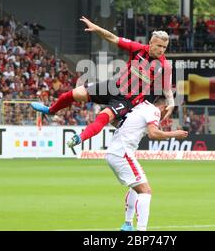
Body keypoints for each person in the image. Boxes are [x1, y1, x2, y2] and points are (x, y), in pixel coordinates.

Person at [31, 16, 175, 148]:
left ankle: (79, 138)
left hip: (127, 100)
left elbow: (167, 89)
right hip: (113, 86)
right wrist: (97, 28)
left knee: (102, 117)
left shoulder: (164, 66)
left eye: (164, 47)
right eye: (159, 46)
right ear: (151, 43)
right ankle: (51, 111)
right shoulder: (137, 49)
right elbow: (113, 38)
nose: (162, 50)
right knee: (73, 94)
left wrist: (172, 102)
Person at [106, 96, 188, 231]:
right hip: (122, 153)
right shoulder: (153, 110)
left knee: (136, 186)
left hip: (116, 151)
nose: (165, 117)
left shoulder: (139, 107)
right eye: (167, 113)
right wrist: (175, 134)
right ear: (164, 107)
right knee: (146, 191)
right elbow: (153, 134)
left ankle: (127, 225)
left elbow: (115, 121)